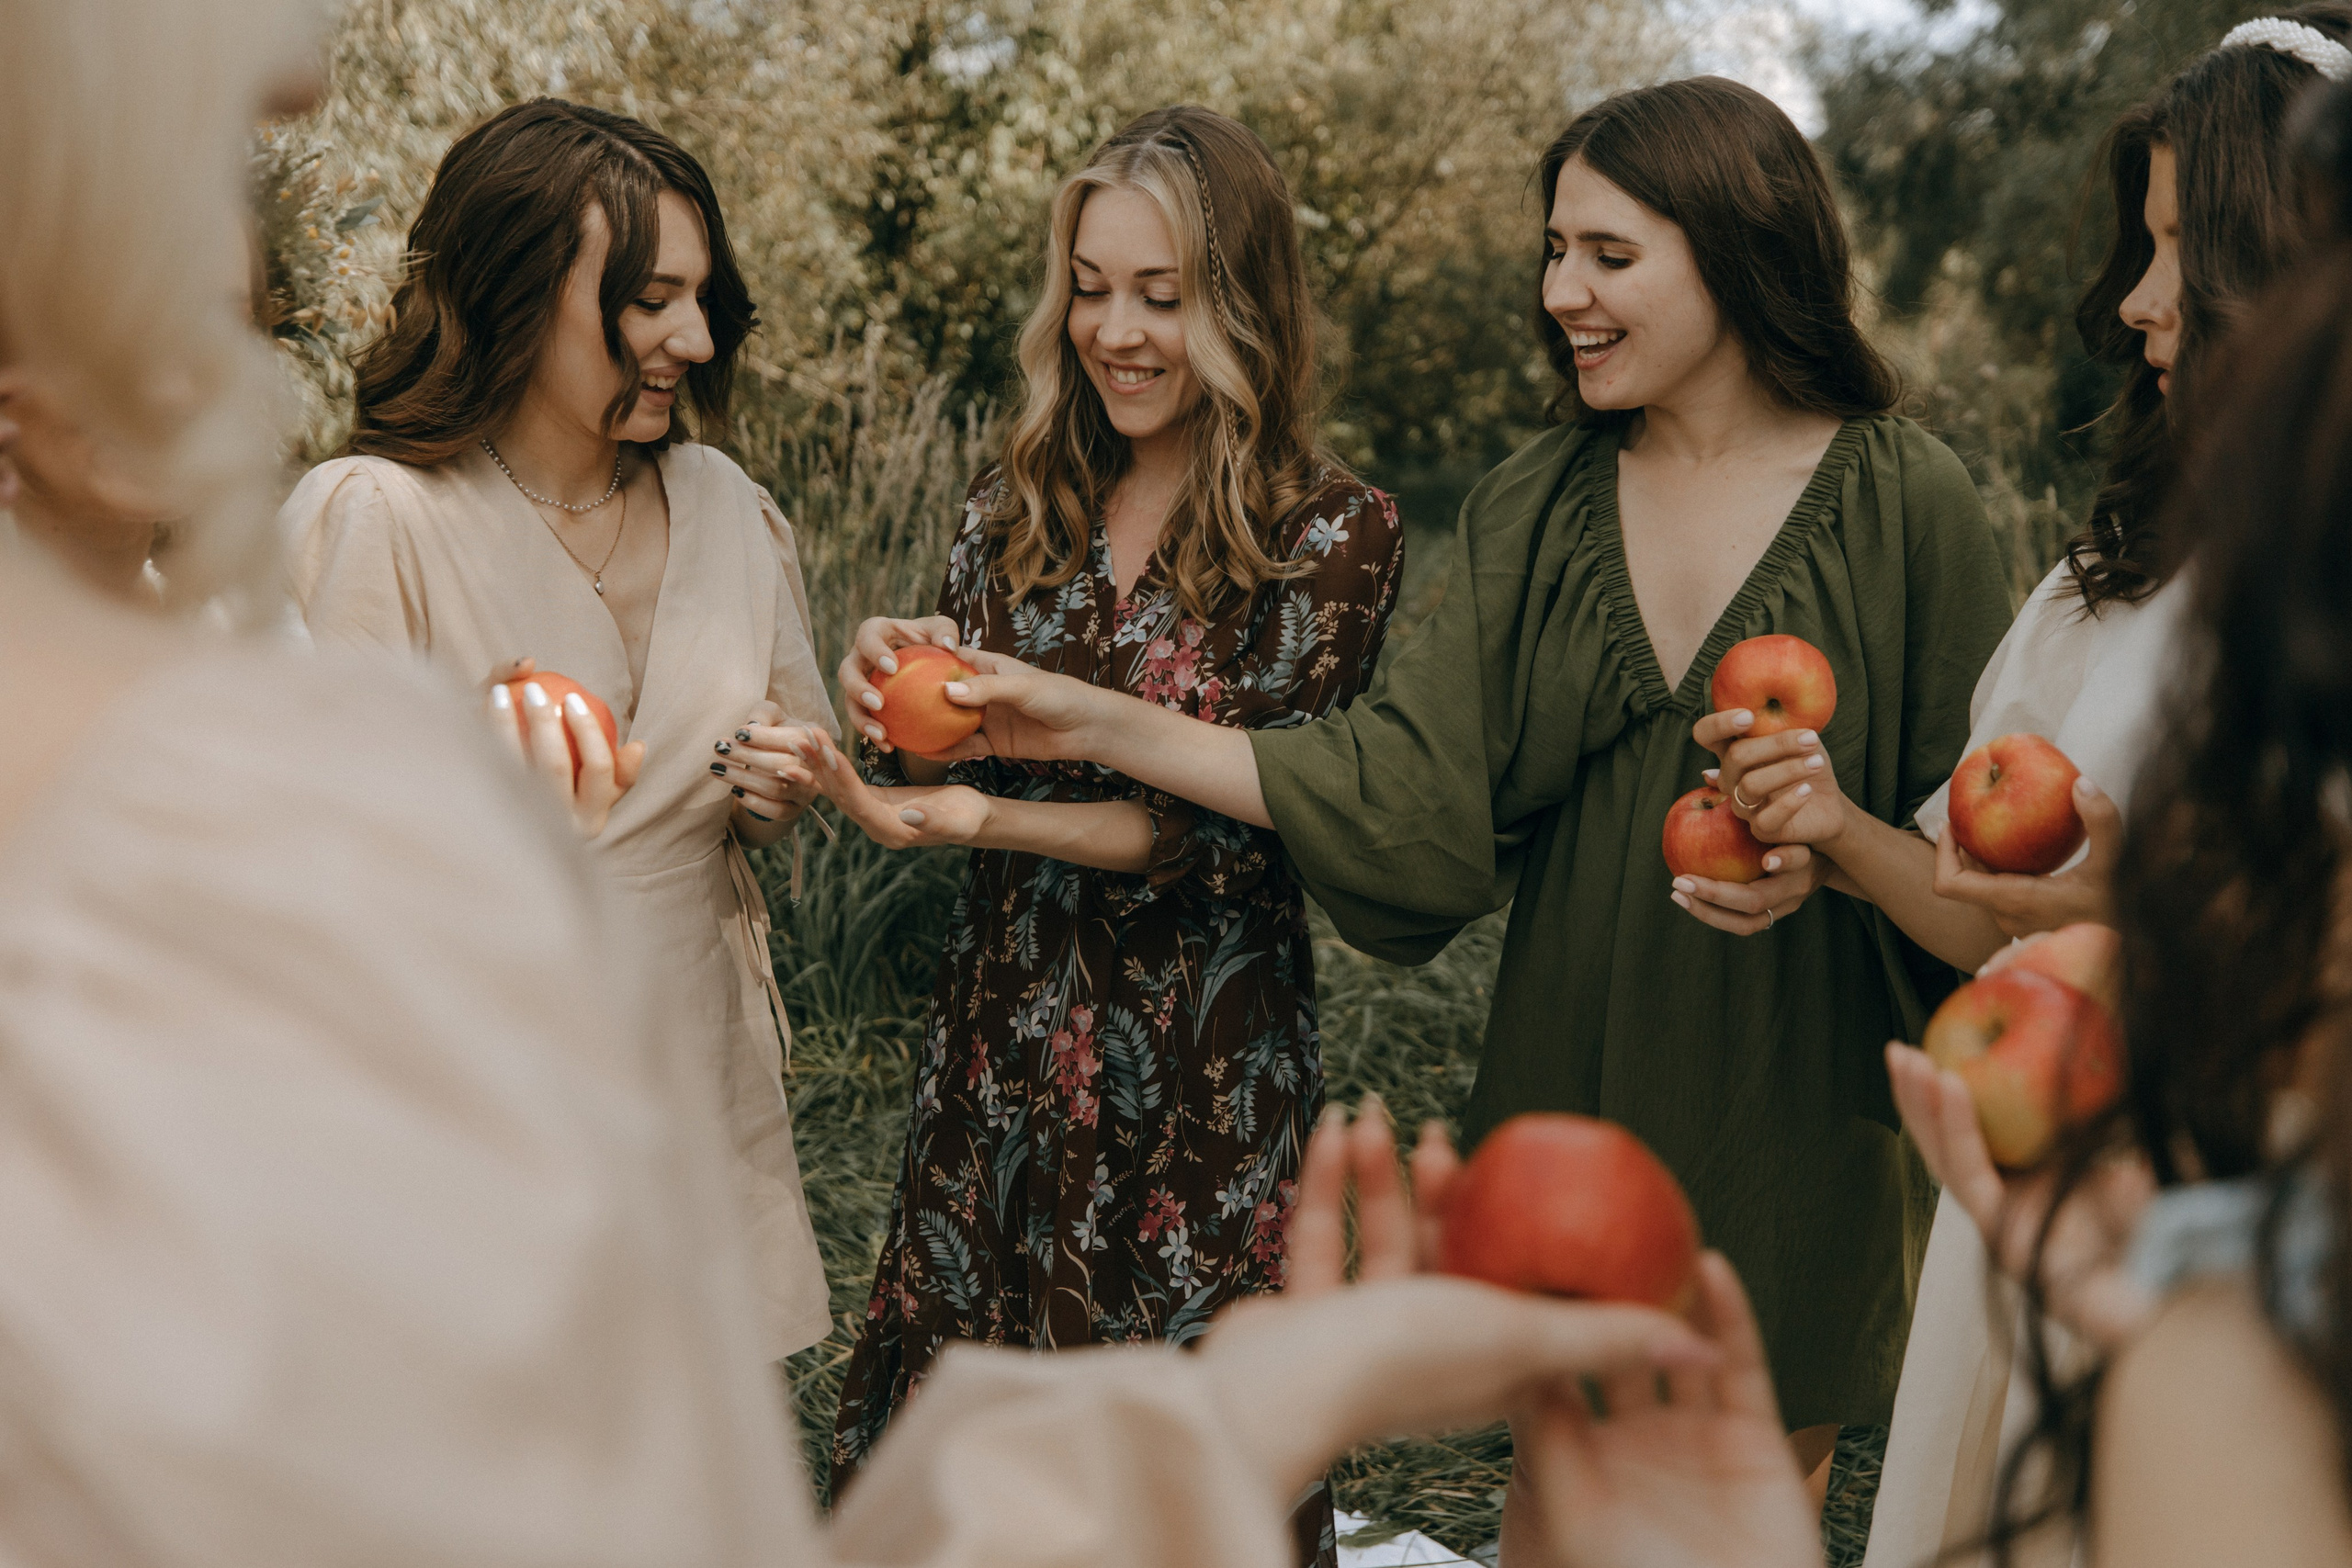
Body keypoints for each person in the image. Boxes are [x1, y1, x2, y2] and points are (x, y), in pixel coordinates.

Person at [0, 3, 1740, 1562]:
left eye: (1163, 291)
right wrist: (906, 752)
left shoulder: (1299, 528)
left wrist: (856, 775)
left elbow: (1210, 819)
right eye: (1094, 286)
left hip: (1143, 1040)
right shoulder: (357, 572)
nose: (688, 332)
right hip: (936, 1044)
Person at [894, 76, 2013, 1521]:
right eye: (1556, 253)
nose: (1564, 293)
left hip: (1790, 1109)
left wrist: (1841, 844)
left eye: (1610, 256)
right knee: (1559, 1521)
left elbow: (1988, 898)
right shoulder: (1536, 501)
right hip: (1565, 1103)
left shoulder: (1906, 501)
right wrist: (1092, 715)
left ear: (1742, 253)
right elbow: (1389, 789)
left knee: (1740, 1525)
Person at [1707, 15, 2352, 1562]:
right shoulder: (2105, 581)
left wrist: (2152, 917)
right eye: (2142, 245)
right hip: (2055, 1171)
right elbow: (1985, 918)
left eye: (2183, 250)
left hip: (2269, 1236)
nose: (2136, 301)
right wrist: (1835, 828)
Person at [815, 105, 1407, 1551]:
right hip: (1004, 1033)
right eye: (1090, 286)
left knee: (1187, 1469)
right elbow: (952, 726)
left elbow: (1247, 832)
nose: (1116, 331)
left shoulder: (1334, 536)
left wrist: (981, 821)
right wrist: (890, 680)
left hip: (1200, 1061)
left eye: (1164, 293)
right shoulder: (1015, 501)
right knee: (980, 1437)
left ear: (1243, 306)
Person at [283, 100, 838, 1359]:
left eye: (703, 298)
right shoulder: (376, 519)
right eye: (650, 299)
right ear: (518, 291)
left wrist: (780, 786)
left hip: (700, 1095)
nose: (693, 337)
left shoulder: (723, 505)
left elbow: (793, 746)